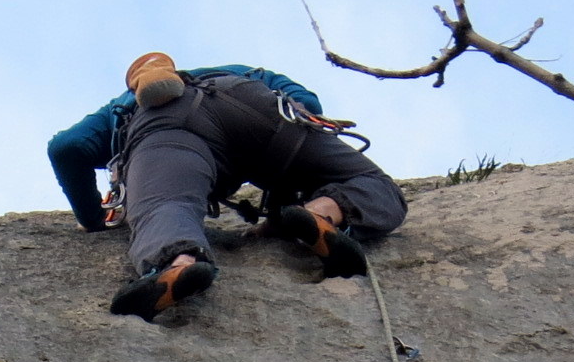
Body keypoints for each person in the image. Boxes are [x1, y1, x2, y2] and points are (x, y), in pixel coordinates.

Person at [46, 52, 408, 320]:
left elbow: (66, 148)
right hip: (248, 100)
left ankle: (179, 263)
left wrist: (94, 218)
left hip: (165, 129)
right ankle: (324, 212)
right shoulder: (233, 69)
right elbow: (308, 103)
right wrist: (284, 198)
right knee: (371, 182)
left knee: (167, 206)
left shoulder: (120, 106)